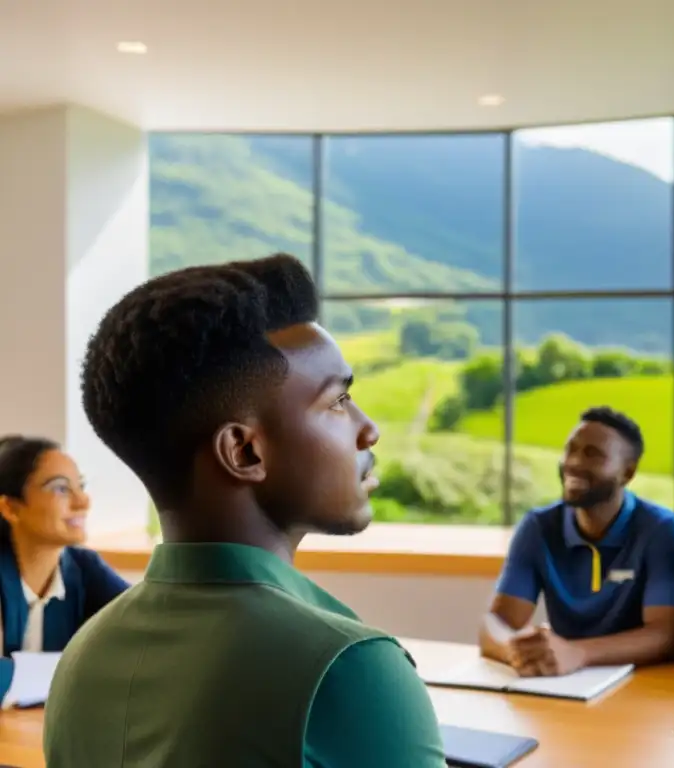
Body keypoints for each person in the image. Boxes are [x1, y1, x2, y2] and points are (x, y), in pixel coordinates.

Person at [44, 254, 445, 766]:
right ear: (244, 452)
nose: (368, 429)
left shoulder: (83, 656)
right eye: (338, 402)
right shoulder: (348, 669)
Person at [479, 407, 674, 676]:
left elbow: (668, 635)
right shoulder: (538, 527)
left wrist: (579, 653)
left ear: (627, 472)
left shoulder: (661, 529)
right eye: (571, 449)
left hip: (643, 682)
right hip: (565, 682)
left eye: (593, 454)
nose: (574, 463)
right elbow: (497, 622)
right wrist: (514, 650)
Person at [0, 435, 127, 705]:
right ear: (10, 508)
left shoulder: (84, 568)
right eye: (60, 488)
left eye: (80, 486)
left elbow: (151, 629)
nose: (83, 501)